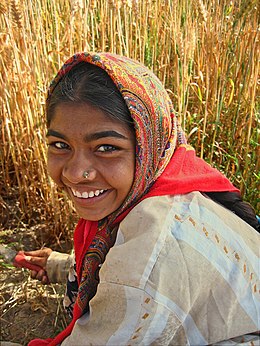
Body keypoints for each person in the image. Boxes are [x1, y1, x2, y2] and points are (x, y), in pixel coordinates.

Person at [24, 52, 259, 345]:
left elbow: (143, 272)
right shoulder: (172, 182)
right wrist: (61, 265)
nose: (75, 173)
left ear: (148, 143)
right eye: (60, 145)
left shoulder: (153, 249)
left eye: (106, 148)